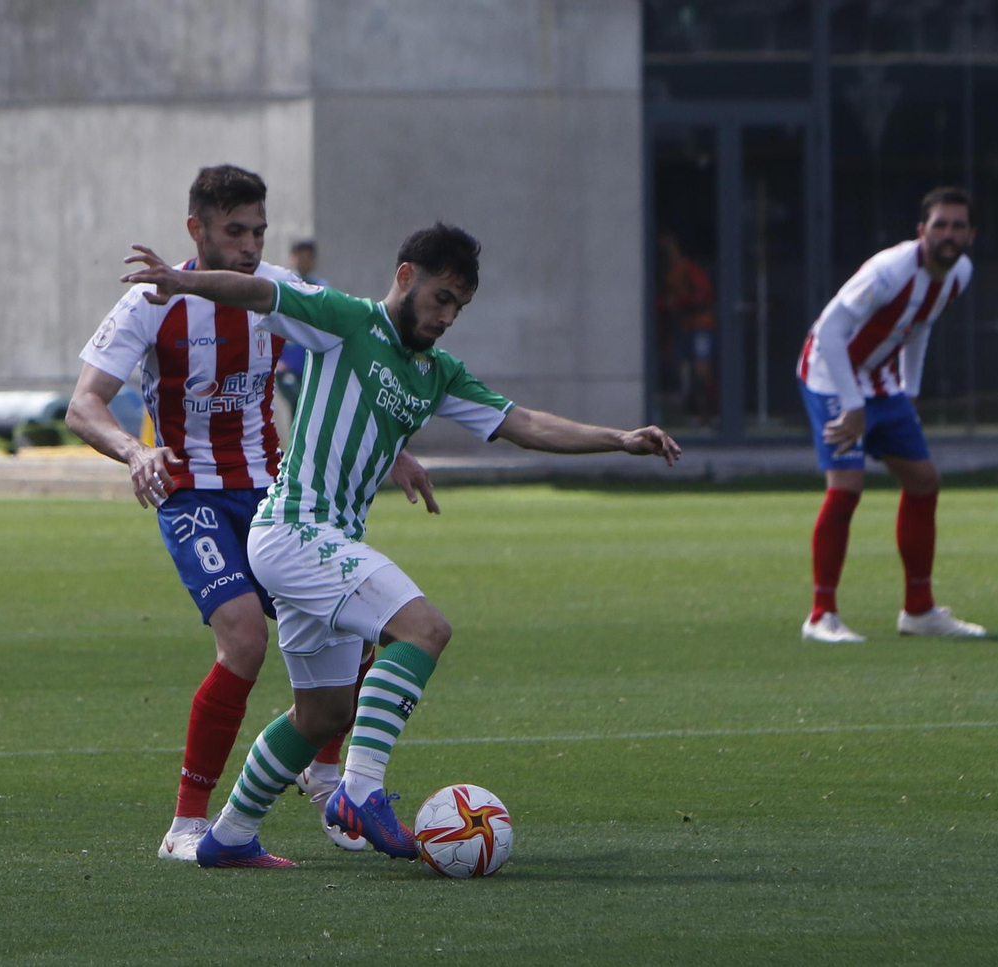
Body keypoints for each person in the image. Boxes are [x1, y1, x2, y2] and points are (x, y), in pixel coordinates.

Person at [119, 221, 682, 867]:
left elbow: (522, 422)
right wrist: (180, 280)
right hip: (295, 528)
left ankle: (230, 836)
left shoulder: (437, 372)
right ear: (407, 276)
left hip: (319, 542)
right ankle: (359, 792)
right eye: (443, 298)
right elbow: (255, 292)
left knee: (324, 712)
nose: (448, 317)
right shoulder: (345, 320)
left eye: (460, 308)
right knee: (424, 629)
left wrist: (619, 437)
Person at [66, 165, 439, 862]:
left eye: (258, 231)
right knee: (243, 640)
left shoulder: (280, 295)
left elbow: (357, 360)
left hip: (273, 495)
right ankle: (186, 824)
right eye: (234, 231)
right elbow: (82, 404)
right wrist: (132, 451)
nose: (247, 245)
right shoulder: (153, 300)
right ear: (196, 229)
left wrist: (392, 448)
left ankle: (327, 779)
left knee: (356, 622)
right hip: (192, 496)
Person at [795, 186, 986, 644]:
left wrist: (910, 393)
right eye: (940, 224)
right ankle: (821, 615)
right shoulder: (888, 271)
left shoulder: (958, 274)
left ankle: (918, 611)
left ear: (971, 235)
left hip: (882, 382)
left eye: (958, 226)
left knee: (924, 482)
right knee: (847, 488)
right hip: (829, 375)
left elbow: (920, 326)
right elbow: (829, 334)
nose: (948, 234)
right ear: (921, 230)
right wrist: (854, 405)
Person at [655, 231, 718, 426]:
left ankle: (711, 413)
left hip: (700, 325)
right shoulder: (667, 271)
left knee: (702, 371)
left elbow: (704, 295)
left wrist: (679, 302)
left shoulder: (691, 270)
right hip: (683, 326)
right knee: (682, 370)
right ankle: (693, 412)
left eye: (670, 246)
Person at [272, 240, 326, 415]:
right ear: (292, 258)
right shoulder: (283, 286)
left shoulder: (322, 289)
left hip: (312, 364)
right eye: (299, 257)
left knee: (311, 410)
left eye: (307, 258)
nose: (303, 262)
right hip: (287, 365)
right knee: (297, 404)